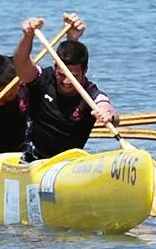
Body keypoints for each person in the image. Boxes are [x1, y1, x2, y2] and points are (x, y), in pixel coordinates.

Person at [0, 15, 85, 158]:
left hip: (27, 157)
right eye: (8, 94)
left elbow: (64, 80)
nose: (18, 91)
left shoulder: (23, 84)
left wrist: (72, 39)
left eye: (17, 87)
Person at [14, 17, 116, 162]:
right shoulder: (44, 78)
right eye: (61, 75)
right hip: (32, 160)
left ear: (85, 71)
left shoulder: (89, 93)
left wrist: (108, 114)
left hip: (69, 165)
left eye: (73, 76)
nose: (67, 81)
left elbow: (107, 107)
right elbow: (21, 64)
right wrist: (28, 36)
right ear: (55, 68)